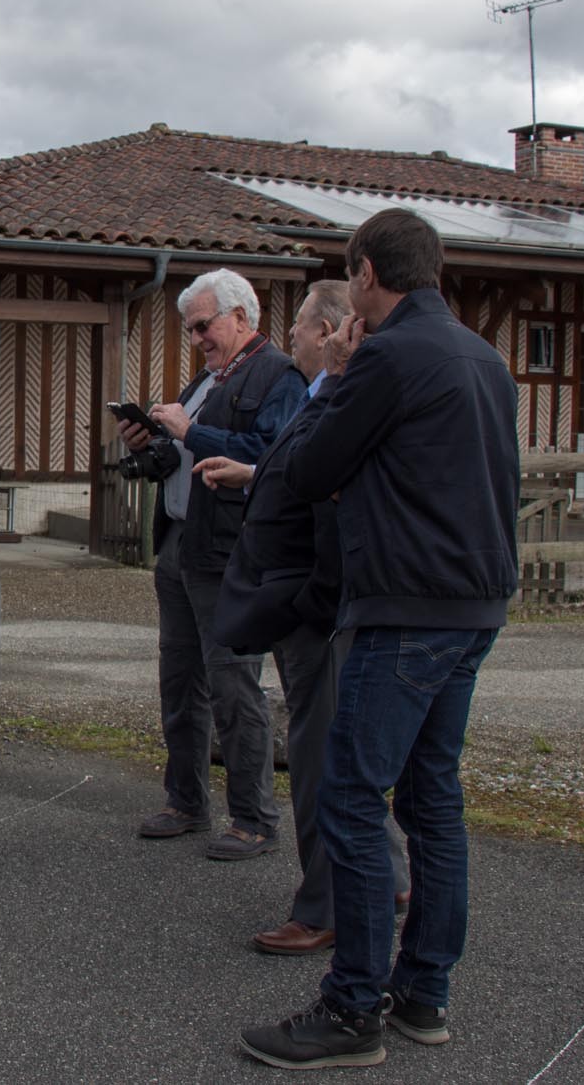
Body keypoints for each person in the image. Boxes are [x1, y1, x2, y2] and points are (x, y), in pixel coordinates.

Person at [239, 209, 519, 1070]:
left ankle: (353, 1005)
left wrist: (342, 369)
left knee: (353, 800)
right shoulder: (484, 356)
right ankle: (424, 991)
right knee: (433, 800)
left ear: (364, 273)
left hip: (404, 605)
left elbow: (309, 467)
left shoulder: (386, 356)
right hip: (476, 602)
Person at [196, 280, 410, 957]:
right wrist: (256, 475)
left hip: (322, 600)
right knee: (329, 752)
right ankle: (391, 875)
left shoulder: (341, 393)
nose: (291, 344)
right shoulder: (320, 395)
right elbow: (299, 469)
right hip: (304, 597)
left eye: (299, 333)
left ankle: (326, 906)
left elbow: (329, 479)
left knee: (321, 759)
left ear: (331, 332)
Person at [116, 268, 304, 860]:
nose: (196, 336)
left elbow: (277, 457)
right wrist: (152, 442)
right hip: (180, 545)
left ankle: (254, 818)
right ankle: (187, 801)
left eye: (204, 325)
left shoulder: (280, 377)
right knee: (181, 679)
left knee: (233, 686)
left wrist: (191, 430)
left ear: (241, 317)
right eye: (191, 328)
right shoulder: (210, 376)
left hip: (227, 554)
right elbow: (187, 453)